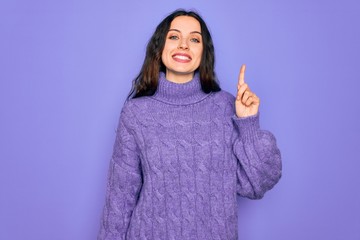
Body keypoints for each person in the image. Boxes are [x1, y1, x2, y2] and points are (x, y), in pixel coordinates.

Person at [98, 9, 282, 240]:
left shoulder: (226, 107)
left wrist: (248, 124)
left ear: (204, 52)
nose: (183, 44)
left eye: (194, 39)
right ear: (159, 47)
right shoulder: (136, 113)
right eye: (174, 36)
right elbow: (120, 195)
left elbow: (256, 184)